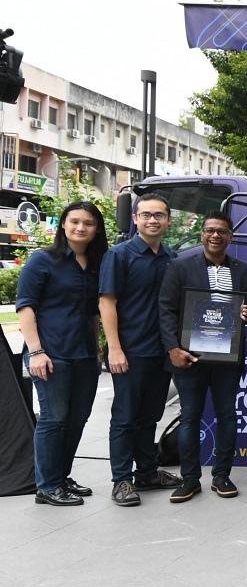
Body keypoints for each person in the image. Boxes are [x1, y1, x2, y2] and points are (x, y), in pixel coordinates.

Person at [158, 210, 247, 502]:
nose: (215, 235)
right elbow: (166, 309)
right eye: (210, 230)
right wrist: (172, 348)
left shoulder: (244, 269)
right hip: (189, 356)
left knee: (227, 416)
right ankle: (190, 478)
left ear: (231, 236)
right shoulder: (180, 267)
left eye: (222, 231)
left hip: (228, 358)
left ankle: (222, 474)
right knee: (190, 417)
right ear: (202, 234)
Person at [16, 201, 108, 506]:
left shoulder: (96, 264)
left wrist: (96, 350)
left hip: (83, 355)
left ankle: (61, 476)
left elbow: (94, 311)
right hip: (51, 353)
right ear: (63, 225)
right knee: (54, 419)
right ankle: (47, 486)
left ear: (96, 229)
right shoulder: (42, 260)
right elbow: (26, 307)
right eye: (75, 222)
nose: (81, 228)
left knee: (77, 418)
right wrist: (36, 351)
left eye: (88, 223)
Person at [100, 192, 183, 506]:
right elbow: (107, 302)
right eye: (146, 214)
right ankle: (121, 480)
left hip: (162, 351)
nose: (152, 220)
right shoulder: (119, 256)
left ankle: (147, 473)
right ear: (135, 219)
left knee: (150, 416)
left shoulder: (173, 259)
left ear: (168, 220)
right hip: (130, 351)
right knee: (125, 417)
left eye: (159, 215)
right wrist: (114, 348)